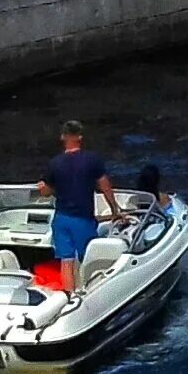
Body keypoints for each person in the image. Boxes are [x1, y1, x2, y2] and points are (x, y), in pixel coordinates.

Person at [36, 119, 121, 295]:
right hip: (83, 219)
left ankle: (69, 296)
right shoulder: (92, 160)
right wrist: (115, 210)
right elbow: (105, 186)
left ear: (63, 137)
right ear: (80, 137)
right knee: (87, 258)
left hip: (61, 218)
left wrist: (44, 188)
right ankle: (89, 294)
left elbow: (46, 192)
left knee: (66, 261)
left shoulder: (55, 163)